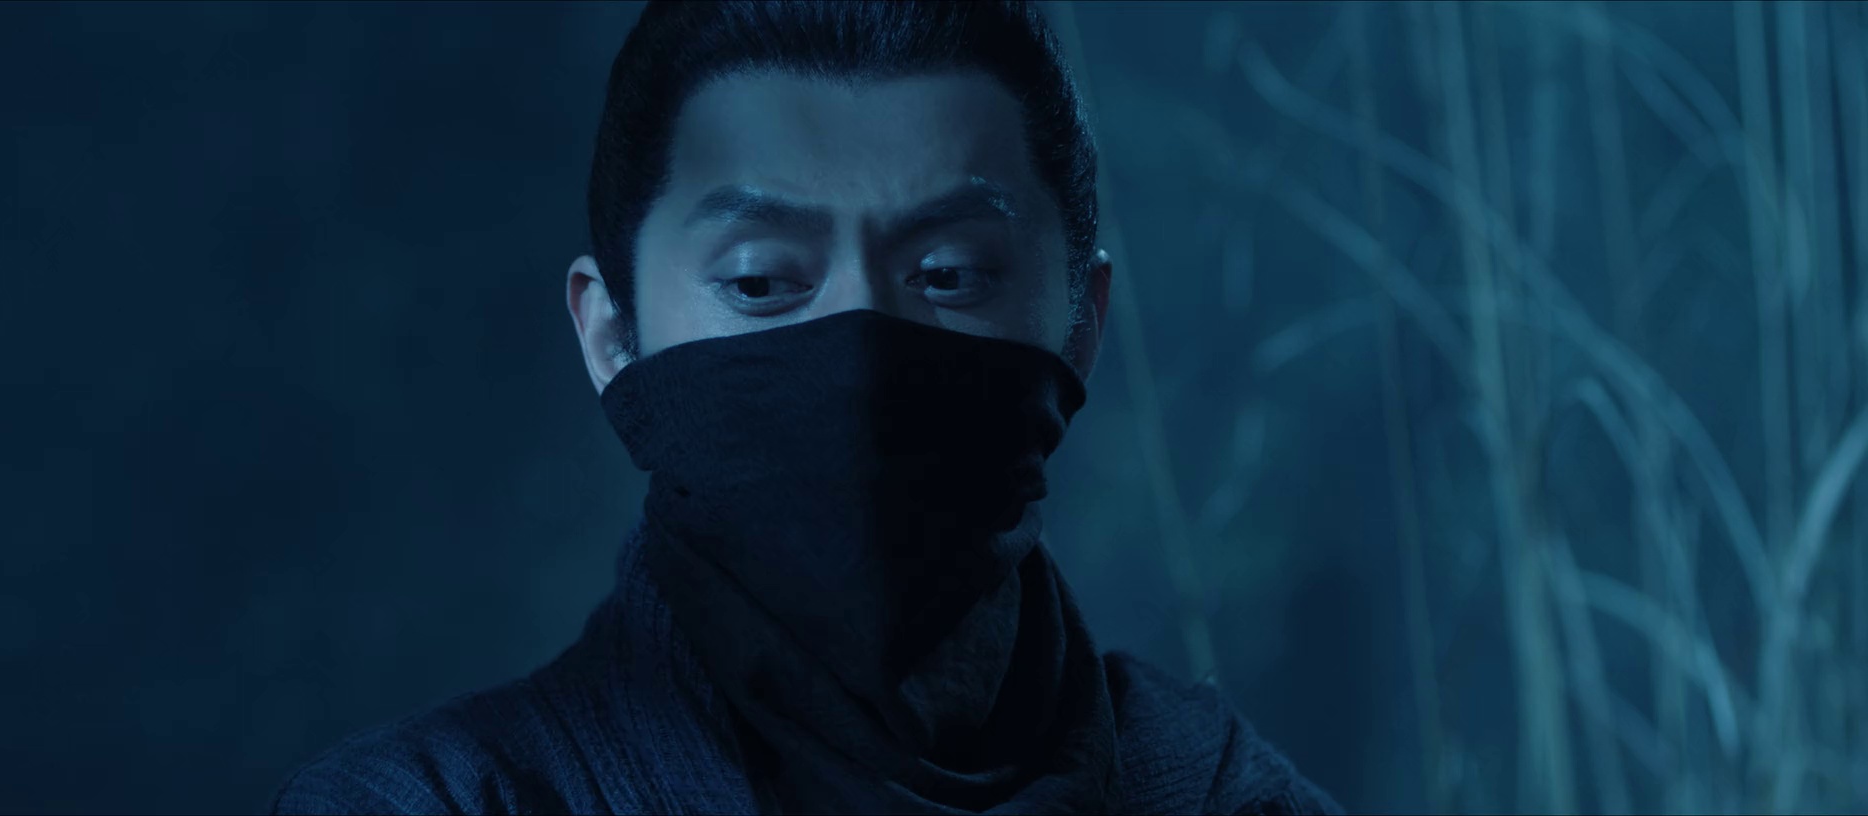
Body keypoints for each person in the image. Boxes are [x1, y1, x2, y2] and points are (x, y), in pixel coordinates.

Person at [271, 2, 1340, 813]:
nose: (862, 352)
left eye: (951, 273)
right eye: (759, 281)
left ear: (1081, 324)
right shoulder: (438, 802)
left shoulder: (1218, 796)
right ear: (611, 334)